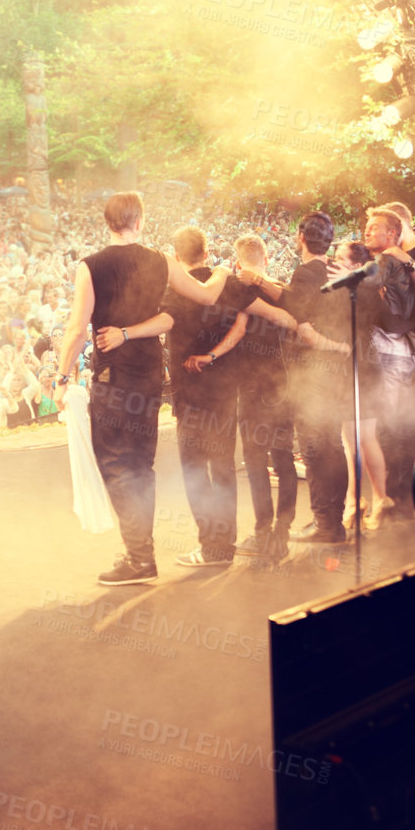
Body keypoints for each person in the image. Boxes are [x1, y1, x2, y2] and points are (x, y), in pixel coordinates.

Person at [55, 191, 230, 586]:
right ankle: (140, 554)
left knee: (117, 465)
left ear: (107, 222)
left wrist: (62, 377)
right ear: (141, 220)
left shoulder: (90, 267)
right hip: (150, 375)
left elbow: (77, 329)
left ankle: (139, 558)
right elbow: (195, 301)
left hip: (113, 378)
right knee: (139, 464)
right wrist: (221, 271)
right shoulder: (162, 261)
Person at [241, 211, 351, 545]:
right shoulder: (333, 270)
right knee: (333, 444)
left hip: (314, 372)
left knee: (316, 448)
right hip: (335, 373)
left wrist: (258, 283)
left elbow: (297, 317)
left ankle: (326, 525)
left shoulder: (304, 272)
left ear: (301, 238)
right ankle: (334, 521)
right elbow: (295, 298)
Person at [159, 227, 258, 568]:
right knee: (224, 467)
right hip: (224, 390)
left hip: (189, 394)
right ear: (205, 252)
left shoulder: (172, 290)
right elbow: (248, 322)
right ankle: (225, 545)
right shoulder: (227, 284)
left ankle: (210, 546)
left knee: (195, 471)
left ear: (176, 254)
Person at [229, 232, 298, 561]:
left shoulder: (239, 290)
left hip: (252, 388)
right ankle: (282, 533)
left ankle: (262, 533)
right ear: (266, 257)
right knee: (283, 459)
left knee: (256, 463)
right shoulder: (280, 290)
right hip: (282, 385)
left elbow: (235, 332)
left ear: (238, 261)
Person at [372, 202, 415, 521]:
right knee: (407, 419)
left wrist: (408, 260)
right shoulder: (395, 257)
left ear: (398, 225)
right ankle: (414, 494)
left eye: (380, 227)